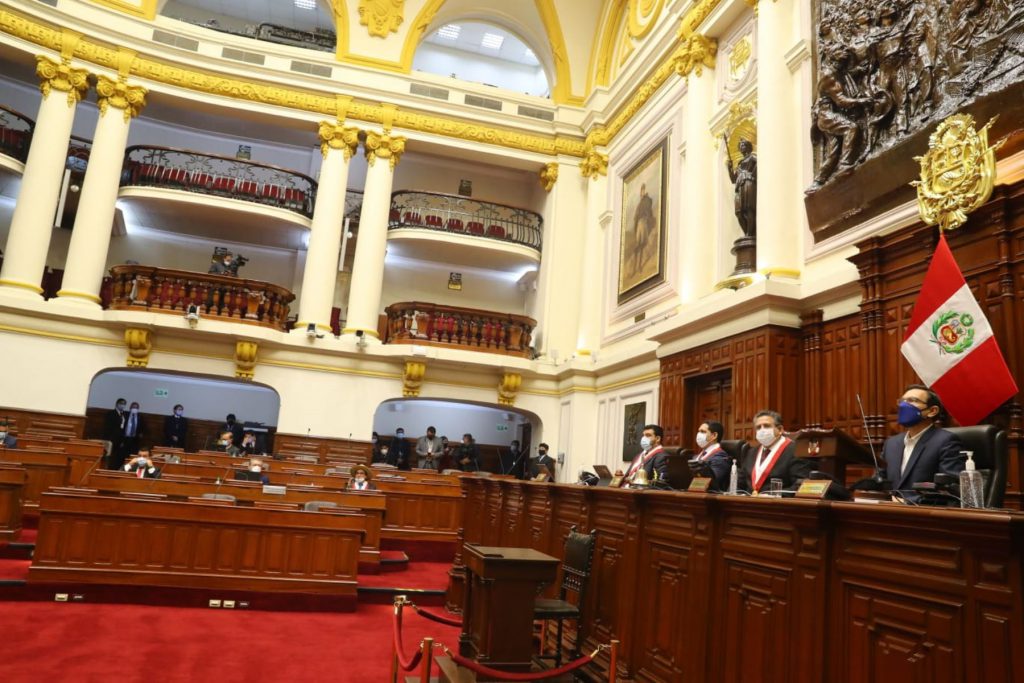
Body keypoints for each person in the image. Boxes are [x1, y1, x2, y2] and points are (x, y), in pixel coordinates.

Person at [882, 384, 965, 496]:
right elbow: (879, 483)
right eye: (902, 401)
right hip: (886, 510)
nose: (903, 405)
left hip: (923, 511)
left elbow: (950, 489)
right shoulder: (891, 444)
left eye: (912, 400)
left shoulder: (946, 441)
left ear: (932, 411)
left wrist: (908, 502)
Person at [739, 410, 811, 494]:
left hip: (778, 504)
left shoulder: (796, 450)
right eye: (758, 427)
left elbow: (801, 485)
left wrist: (771, 496)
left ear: (780, 429)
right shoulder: (750, 452)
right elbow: (740, 481)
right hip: (747, 503)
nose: (762, 430)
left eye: (766, 426)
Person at [689, 421, 731, 491]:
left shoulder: (720, 457)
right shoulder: (695, 457)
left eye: (703, 432)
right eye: (698, 431)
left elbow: (712, 483)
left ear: (714, 435)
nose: (698, 434)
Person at [105, 398, 129, 470]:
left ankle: (115, 468)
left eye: (124, 404)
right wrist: (108, 439)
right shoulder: (111, 413)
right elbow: (107, 427)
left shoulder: (124, 414)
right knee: (110, 454)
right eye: (121, 403)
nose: (122, 405)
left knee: (117, 455)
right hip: (111, 438)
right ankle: (108, 468)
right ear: (117, 404)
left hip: (120, 438)